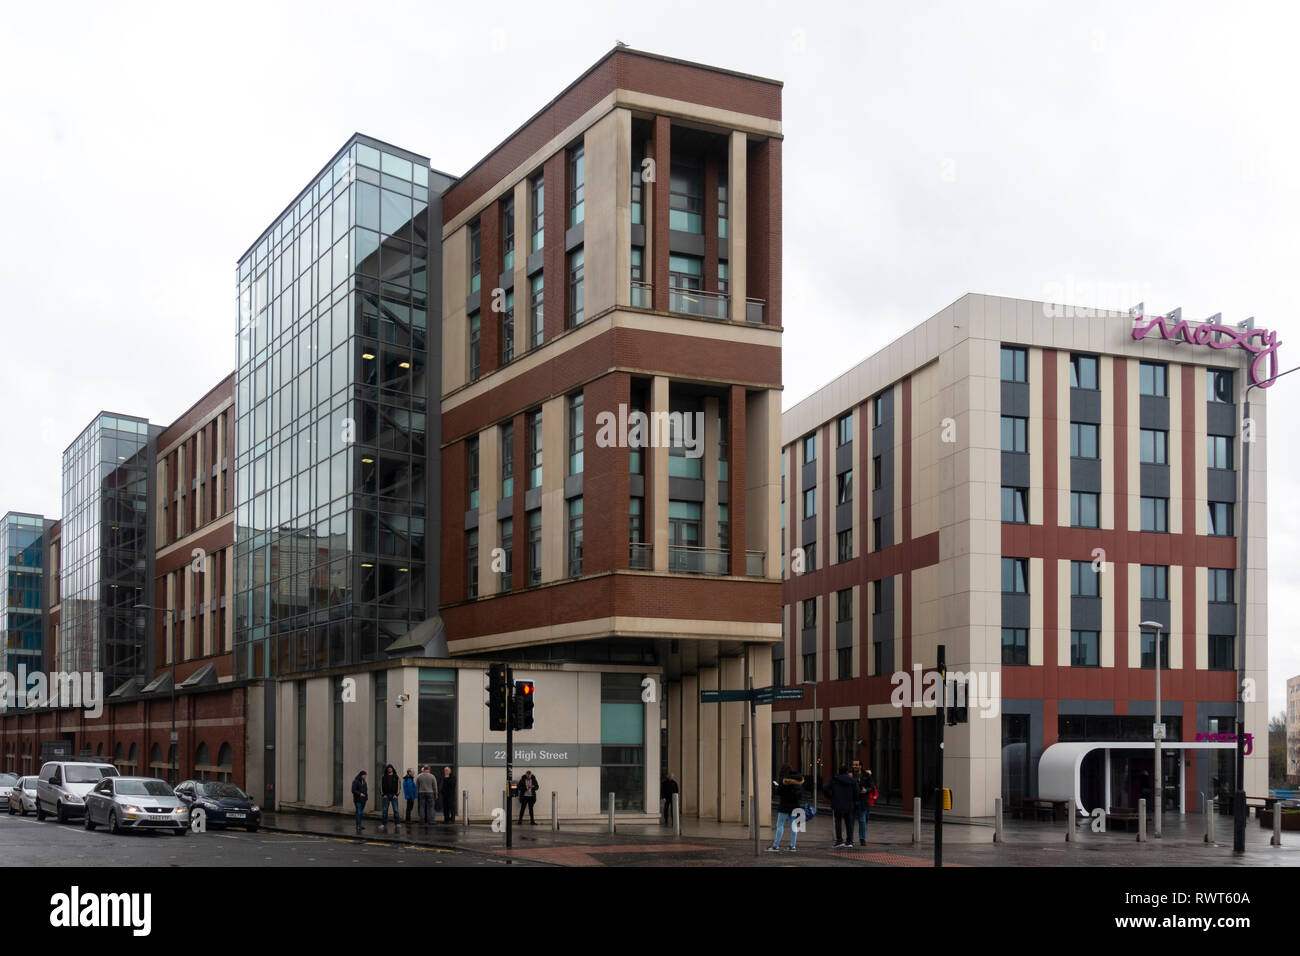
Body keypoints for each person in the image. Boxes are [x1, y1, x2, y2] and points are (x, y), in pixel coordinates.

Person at [769, 765, 805, 852]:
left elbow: (779, 792)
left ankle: (775, 845)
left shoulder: (784, 781)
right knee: (794, 826)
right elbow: (800, 795)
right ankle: (793, 846)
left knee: (780, 825)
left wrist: (777, 787)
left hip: (784, 806)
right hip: (795, 806)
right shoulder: (798, 781)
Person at [822, 765, 857, 848]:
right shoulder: (852, 780)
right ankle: (849, 841)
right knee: (848, 822)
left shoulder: (834, 779)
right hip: (849, 804)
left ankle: (839, 840)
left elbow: (825, 788)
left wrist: (830, 797)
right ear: (847, 772)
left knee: (838, 821)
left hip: (837, 803)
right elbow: (857, 791)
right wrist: (853, 799)